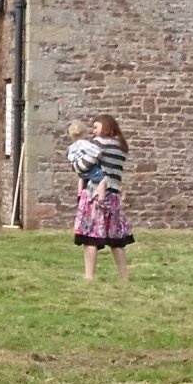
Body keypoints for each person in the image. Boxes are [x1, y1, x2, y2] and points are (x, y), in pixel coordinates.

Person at [66, 114, 131, 279]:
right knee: (116, 239)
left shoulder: (98, 144)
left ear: (106, 127)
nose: (93, 132)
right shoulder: (121, 146)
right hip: (113, 195)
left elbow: (82, 166)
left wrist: (76, 165)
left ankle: (89, 276)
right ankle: (124, 277)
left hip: (95, 195)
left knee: (90, 237)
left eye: (96, 127)